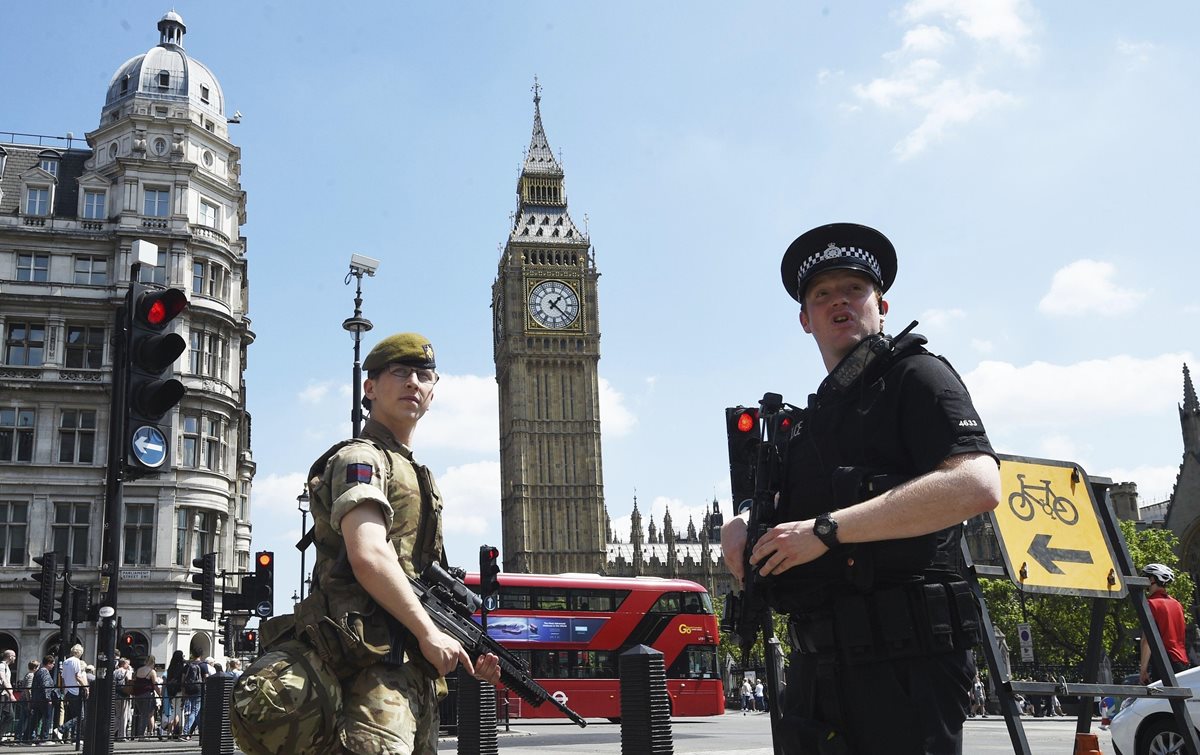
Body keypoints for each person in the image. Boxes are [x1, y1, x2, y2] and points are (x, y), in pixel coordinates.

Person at [722, 223, 1000, 755]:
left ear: (882, 305)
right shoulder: (810, 421)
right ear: (805, 320)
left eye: (854, 289)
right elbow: (783, 511)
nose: (839, 303)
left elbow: (977, 483)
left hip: (903, 667)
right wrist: (742, 520)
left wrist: (827, 531)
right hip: (815, 671)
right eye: (823, 294)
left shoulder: (917, 376)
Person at [295, 332, 501, 754]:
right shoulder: (361, 458)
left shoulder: (417, 472)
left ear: (432, 393)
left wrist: (460, 648)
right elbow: (369, 553)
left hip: (413, 674)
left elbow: (419, 581)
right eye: (400, 372)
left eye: (424, 375)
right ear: (369, 389)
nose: (413, 382)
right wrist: (429, 633)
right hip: (370, 669)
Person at [1140, 563, 1192, 684]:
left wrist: (1143, 669)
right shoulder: (1177, 604)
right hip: (1182, 661)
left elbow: (1147, 639)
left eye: (1145, 577)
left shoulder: (1150, 604)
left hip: (1164, 662)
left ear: (1152, 579)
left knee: (1161, 702)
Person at [57, 644, 87, 741]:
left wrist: (64, 691)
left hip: (68, 690)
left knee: (74, 716)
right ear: (80, 652)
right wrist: (86, 687)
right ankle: (61, 730)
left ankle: (74, 738)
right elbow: (78, 676)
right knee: (80, 716)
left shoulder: (66, 662)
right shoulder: (76, 661)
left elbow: (64, 678)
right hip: (75, 691)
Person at [131, 655, 160, 739]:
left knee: (143, 713)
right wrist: (160, 694)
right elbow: (155, 684)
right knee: (147, 714)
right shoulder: (152, 671)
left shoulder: (139, 670)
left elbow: (134, 679)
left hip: (137, 694)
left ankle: (147, 731)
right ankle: (143, 734)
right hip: (147, 694)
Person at [28, 656, 55, 743]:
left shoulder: (38, 671)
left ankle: (28, 737)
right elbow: (46, 685)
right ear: (49, 663)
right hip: (43, 699)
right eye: (53, 664)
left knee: (35, 719)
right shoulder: (45, 672)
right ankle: (44, 738)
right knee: (47, 718)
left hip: (37, 699)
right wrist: (48, 698)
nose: (53, 665)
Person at [161, 650, 184, 737]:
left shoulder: (170, 667)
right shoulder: (181, 667)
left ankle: (169, 731)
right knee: (179, 711)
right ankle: (179, 731)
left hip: (171, 691)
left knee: (173, 711)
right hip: (179, 690)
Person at [113, 657, 133, 740]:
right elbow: (129, 681)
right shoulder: (127, 672)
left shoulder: (115, 672)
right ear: (124, 664)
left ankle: (110, 732)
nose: (128, 665)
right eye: (127, 663)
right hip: (124, 695)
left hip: (116, 695)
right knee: (124, 716)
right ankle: (122, 735)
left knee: (117, 715)